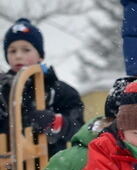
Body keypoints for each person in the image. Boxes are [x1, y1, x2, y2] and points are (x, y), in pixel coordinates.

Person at [0, 18, 84, 157]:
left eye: (26, 50)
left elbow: (79, 131)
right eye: (12, 51)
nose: (18, 56)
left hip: (49, 169)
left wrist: (54, 122)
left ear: (40, 55)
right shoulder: (2, 91)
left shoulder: (59, 90)